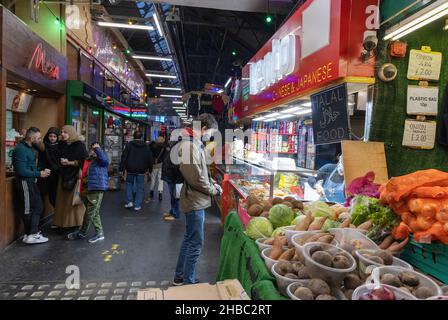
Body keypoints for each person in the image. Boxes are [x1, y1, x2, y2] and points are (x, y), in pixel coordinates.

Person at [173, 113, 223, 286]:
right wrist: (212, 189)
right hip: (194, 200)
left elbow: (199, 173)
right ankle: (188, 282)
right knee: (195, 244)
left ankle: (181, 277)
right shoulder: (189, 146)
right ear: (202, 128)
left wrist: (212, 183)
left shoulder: (194, 144)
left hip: (195, 199)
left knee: (189, 239)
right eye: (210, 132)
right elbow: (195, 178)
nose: (211, 136)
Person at [12, 127, 50, 244]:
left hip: (30, 181)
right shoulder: (20, 149)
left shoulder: (30, 147)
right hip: (24, 182)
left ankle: (30, 233)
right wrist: (40, 174)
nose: (39, 140)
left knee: (38, 206)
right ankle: (31, 235)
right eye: (38, 137)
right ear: (32, 137)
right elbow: (21, 171)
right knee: (28, 208)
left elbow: (43, 149)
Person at [68, 143, 109, 243]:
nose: (93, 151)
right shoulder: (89, 160)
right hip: (87, 189)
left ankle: (82, 232)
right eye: (92, 149)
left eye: (95, 149)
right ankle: (99, 233)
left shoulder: (101, 159)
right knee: (94, 212)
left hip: (96, 188)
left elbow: (105, 161)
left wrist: (98, 149)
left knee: (89, 213)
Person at [53, 125, 89, 229]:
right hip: (63, 176)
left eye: (65, 132)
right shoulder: (62, 144)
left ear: (71, 133)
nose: (63, 134)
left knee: (72, 202)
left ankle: (75, 223)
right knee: (62, 202)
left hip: (74, 177)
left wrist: (69, 162)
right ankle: (62, 223)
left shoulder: (79, 145)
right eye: (62, 132)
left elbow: (84, 161)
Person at [120, 131, 154, 211]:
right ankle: (137, 205)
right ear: (141, 137)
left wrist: (121, 168)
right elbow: (150, 159)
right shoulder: (146, 146)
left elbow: (124, 157)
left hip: (130, 169)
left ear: (133, 136)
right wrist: (150, 169)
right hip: (141, 170)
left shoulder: (129, 145)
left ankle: (129, 201)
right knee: (140, 187)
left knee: (129, 184)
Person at [36, 127, 61, 209]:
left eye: (54, 136)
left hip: (56, 176)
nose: (52, 138)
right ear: (47, 136)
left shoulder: (60, 147)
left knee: (54, 197)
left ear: (57, 137)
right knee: (43, 196)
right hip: (45, 175)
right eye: (50, 136)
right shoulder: (43, 146)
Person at [161, 135, 183, 221]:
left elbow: (175, 164)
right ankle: (172, 211)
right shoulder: (171, 146)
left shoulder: (177, 148)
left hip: (174, 176)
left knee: (174, 195)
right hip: (171, 175)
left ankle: (175, 213)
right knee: (172, 195)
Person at [149, 136, 166, 201]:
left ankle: (151, 191)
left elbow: (150, 156)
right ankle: (160, 193)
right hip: (161, 164)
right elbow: (165, 157)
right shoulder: (163, 147)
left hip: (154, 165)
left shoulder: (152, 147)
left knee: (153, 179)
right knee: (160, 179)